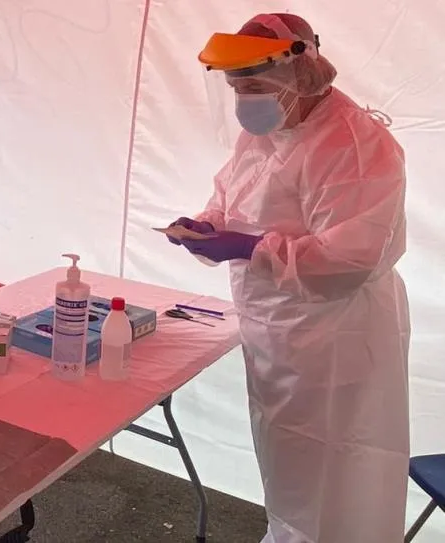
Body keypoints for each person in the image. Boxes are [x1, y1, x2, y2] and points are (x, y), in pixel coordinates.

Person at [166, 13, 411, 543]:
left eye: (253, 86)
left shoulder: (353, 144)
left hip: (335, 339)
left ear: (298, 72)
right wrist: (207, 226)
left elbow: (350, 259)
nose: (243, 100)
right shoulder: (269, 129)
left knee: (338, 471)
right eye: (236, 88)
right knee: (290, 466)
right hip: (276, 333)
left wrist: (250, 248)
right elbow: (233, 196)